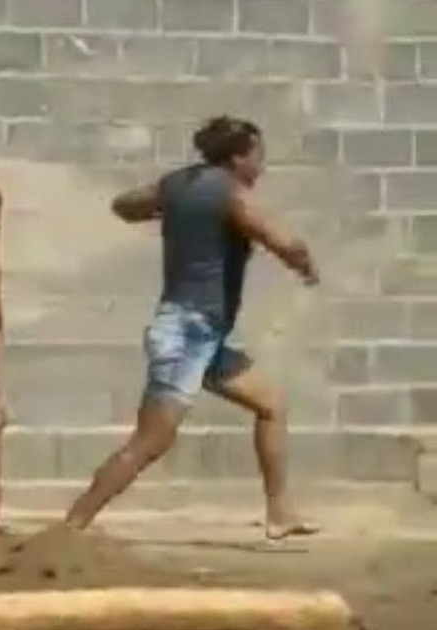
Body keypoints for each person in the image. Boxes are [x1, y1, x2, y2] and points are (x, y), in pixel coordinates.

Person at [64, 115, 321, 541]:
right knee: (151, 441)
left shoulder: (178, 183)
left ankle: (280, 512)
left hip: (200, 333)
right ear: (238, 157)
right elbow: (284, 242)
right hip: (188, 332)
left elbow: (124, 205)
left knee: (271, 405)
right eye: (257, 156)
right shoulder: (232, 195)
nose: (261, 166)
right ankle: (71, 526)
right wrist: (306, 265)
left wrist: (175, 205)